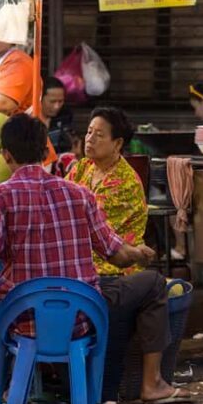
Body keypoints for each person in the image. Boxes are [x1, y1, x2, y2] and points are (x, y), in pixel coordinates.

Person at [0, 114, 188, 404]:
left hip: (22, 321)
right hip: (80, 319)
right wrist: (139, 252)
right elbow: (119, 255)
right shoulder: (80, 194)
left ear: (6, 155)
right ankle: (153, 384)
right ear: (44, 151)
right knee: (154, 283)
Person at [67, 107, 148, 277]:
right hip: (80, 262)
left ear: (117, 144)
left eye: (99, 135)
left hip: (113, 269)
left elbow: (93, 230)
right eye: (89, 132)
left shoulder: (125, 182)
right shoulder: (83, 166)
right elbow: (60, 198)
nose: (90, 139)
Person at [41, 76, 74, 154]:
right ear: (40, 98)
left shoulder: (66, 115)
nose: (57, 106)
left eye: (60, 101)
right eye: (52, 101)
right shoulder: (30, 118)